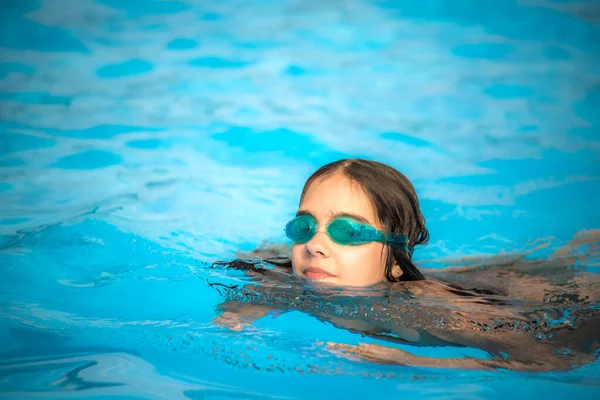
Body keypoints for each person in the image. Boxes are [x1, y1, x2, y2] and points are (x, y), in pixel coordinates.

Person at [211, 158, 600, 373]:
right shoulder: (284, 282)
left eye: (347, 233)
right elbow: (245, 302)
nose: (315, 246)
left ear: (397, 262)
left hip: (546, 297)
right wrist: (235, 317)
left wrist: (412, 360)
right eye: (304, 227)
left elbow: (550, 359)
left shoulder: (434, 316)